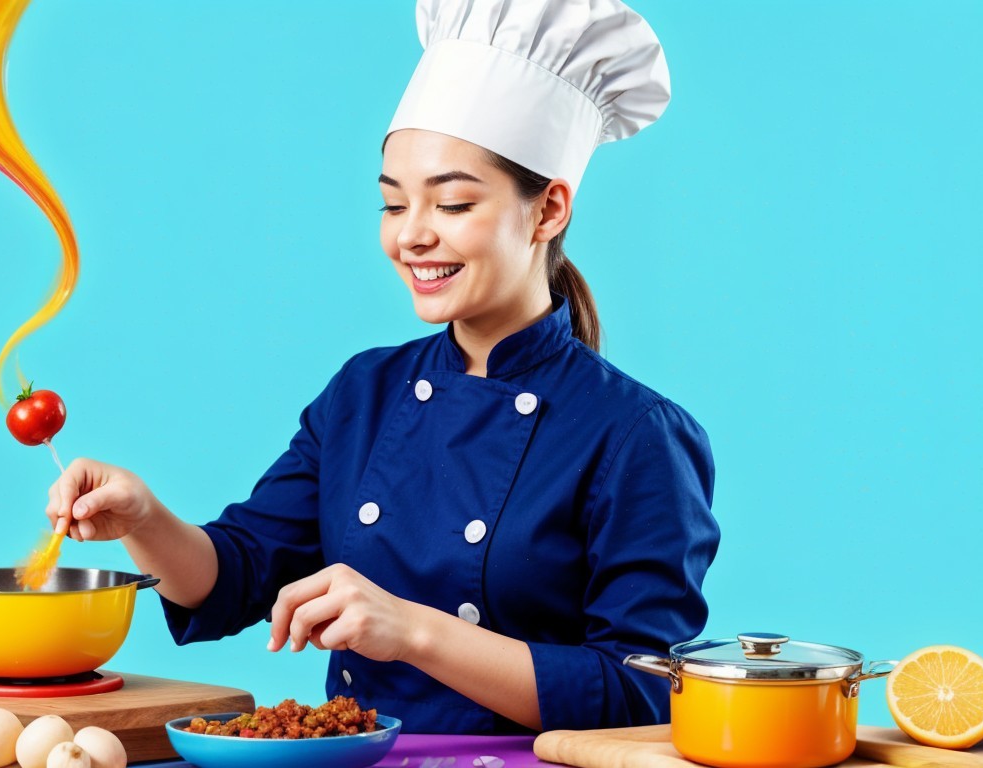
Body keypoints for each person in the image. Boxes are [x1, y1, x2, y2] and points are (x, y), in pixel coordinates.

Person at [46, 0, 720, 735]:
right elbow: (237, 574)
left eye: (453, 203)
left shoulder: (635, 433)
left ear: (549, 209)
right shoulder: (364, 393)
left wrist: (415, 631)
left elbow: (645, 693)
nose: (412, 237)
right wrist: (144, 520)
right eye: (393, 205)